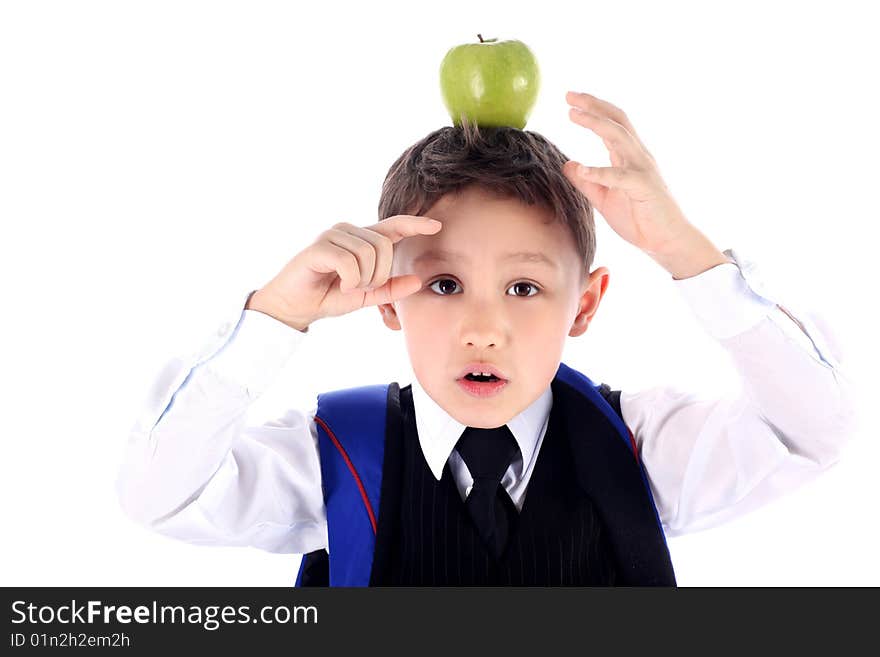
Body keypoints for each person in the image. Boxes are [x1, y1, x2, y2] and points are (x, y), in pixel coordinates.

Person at [115, 91, 859, 586]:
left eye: (525, 287)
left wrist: (688, 254)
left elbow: (811, 429)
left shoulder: (640, 448)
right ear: (386, 301)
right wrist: (276, 315)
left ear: (586, 303)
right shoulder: (339, 455)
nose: (482, 328)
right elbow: (159, 493)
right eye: (442, 285)